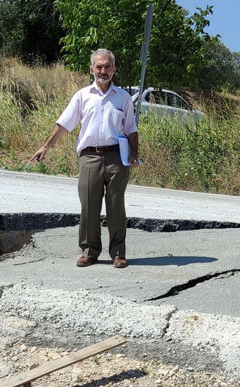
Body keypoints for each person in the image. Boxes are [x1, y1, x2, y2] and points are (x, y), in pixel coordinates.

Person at [30, 48, 139, 269]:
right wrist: (45, 146)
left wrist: (134, 155)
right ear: (91, 69)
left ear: (114, 69)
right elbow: (64, 124)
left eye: (107, 66)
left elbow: (131, 129)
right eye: (99, 67)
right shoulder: (82, 95)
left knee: (116, 205)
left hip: (117, 156)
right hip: (89, 156)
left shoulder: (123, 97)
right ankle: (89, 251)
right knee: (89, 205)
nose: (103, 70)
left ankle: (118, 253)